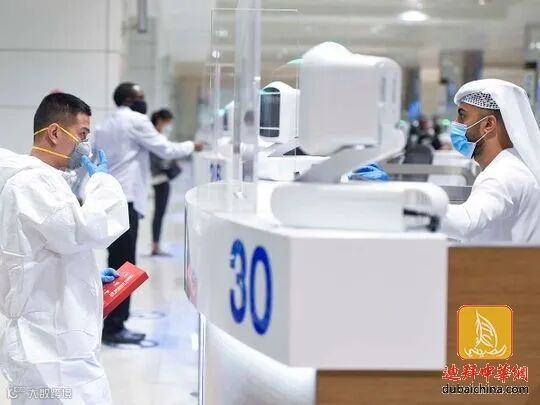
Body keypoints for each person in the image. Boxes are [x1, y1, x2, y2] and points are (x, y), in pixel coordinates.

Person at [0, 93, 129, 404]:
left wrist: (86, 276)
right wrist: (102, 183)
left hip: (53, 333)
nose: (85, 146)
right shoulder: (31, 183)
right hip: (45, 342)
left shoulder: (44, 180)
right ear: (55, 133)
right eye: (82, 135)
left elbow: (51, 248)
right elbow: (84, 231)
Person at [94, 82, 204, 344]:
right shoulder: (136, 120)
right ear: (129, 99)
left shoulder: (105, 124)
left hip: (110, 198)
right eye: (141, 96)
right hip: (126, 200)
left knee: (115, 262)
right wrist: (193, 146)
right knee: (124, 265)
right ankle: (115, 327)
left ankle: (111, 321)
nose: (144, 101)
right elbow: (165, 149)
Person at [441, 79, 540, 243]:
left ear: (488, 124)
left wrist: (408, 205)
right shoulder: (509, 165)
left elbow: (466, 222)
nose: (455, 123)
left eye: (462, 115)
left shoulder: (505, 174)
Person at [149, 109, 180, 256]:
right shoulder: (155, 138)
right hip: (160, 178)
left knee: (159, 213)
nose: (169, 126)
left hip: (159, 178)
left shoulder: (156, 136)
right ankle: (155, 246)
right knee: (159, 213)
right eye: (168, 122)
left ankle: (156, 244)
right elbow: (159, 159)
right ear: (161, 121)